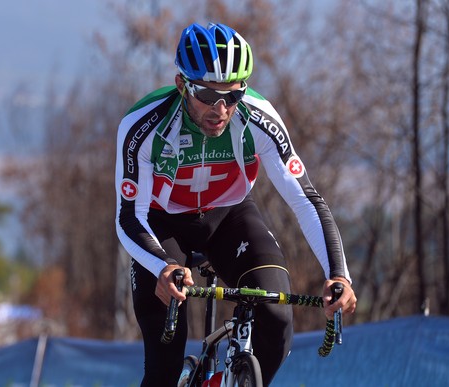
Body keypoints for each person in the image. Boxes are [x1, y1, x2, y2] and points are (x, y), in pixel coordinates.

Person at [115, 22, 357, 386]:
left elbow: (306, 200)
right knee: (163, 365)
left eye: (233, 95)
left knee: (276, 318)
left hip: (229, 216)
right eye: (208, 95)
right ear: (182, 85)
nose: (221, 108)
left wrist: (338, 273)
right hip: (160, 224)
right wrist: (161, 266)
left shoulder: (258, 118)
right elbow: (129, 215)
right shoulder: (143, 126)